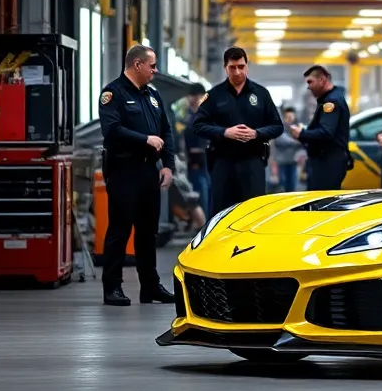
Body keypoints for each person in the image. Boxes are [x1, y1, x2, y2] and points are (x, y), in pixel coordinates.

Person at [97, 44, 176, 307]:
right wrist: (144, 140)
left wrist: (168, 165)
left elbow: (166, 131)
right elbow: (112, 130)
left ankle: (150, 287)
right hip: (124, 171)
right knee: (119, 230)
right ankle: (112, 288)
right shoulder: (113, 94)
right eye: (152, 66)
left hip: (148, 172)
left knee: (147, 233)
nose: (155, 70)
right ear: (137, 65)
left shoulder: (152, 96)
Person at [190, 47, 284, 214]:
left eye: (241, 66)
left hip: (253, 162)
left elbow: (277, 126)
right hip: (222, 162)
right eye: (232, 67)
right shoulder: (214, 96)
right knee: (221, 212)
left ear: (247, 66)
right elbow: (198, 125)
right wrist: (224, 132)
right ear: (225, 67)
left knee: (254, 212)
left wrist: (256, 133)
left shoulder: (261, 94)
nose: (237, 72)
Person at [290, 65, 351, 190]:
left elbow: (326, 133)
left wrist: (302, 134)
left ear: (322, 80)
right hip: (325, 161)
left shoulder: (331, 102)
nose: (308, 86)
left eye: (310, 82)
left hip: (327, 163)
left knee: (322, 204)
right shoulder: (329, 99)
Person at [180, 84, 210, 217]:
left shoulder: (201, 115)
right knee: (201, 190)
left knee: (201, 192)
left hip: (199, 162)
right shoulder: (190, 115)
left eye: (190, 95)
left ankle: (205, 225)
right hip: (196, 161)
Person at [271, 107, 302, 192]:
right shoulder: (280, 128)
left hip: (293, 160)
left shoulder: (296, 128)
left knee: (292, 185)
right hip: (282, 161)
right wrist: (297, 140)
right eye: (288, 117)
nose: (290, 119)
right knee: (282, 185)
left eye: (292, 117)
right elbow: (281, 140)